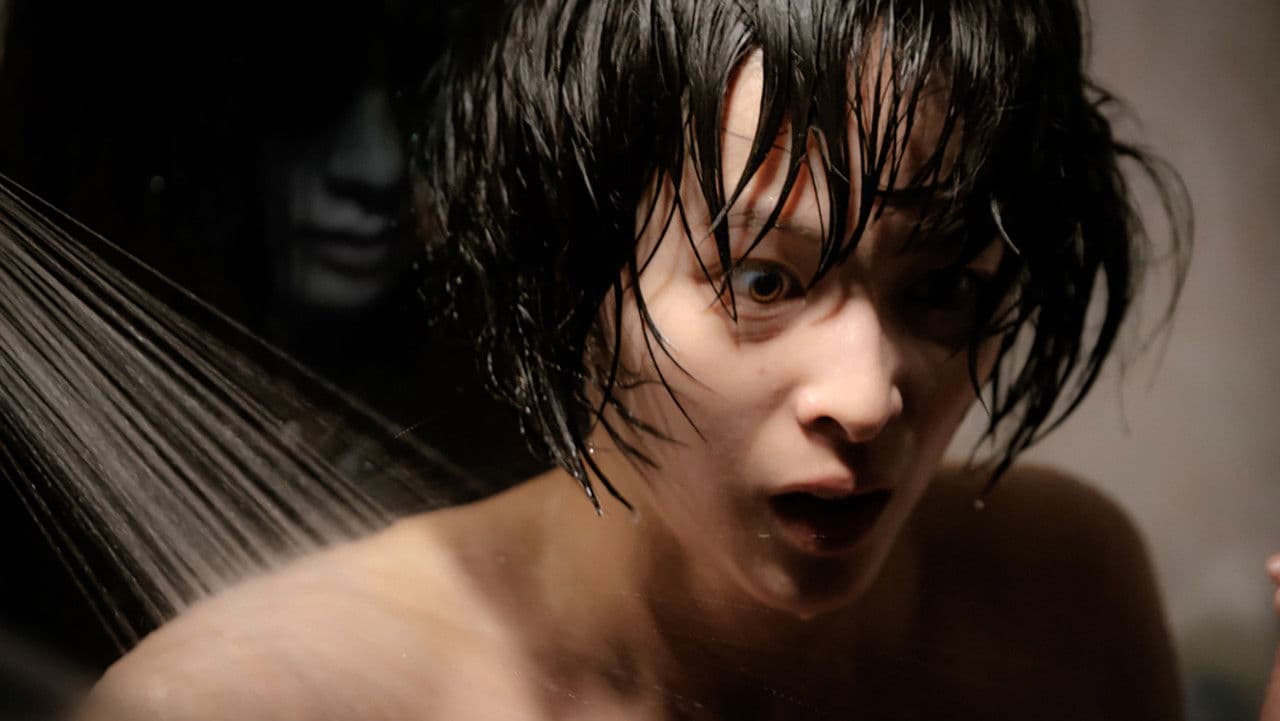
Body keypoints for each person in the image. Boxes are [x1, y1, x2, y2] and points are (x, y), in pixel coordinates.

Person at [76, 0, 1232, 718]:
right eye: (763, 281)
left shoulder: (1061, 593)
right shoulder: (250, 704)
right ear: (570, 272)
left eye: (940, 289)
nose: (867, 397)